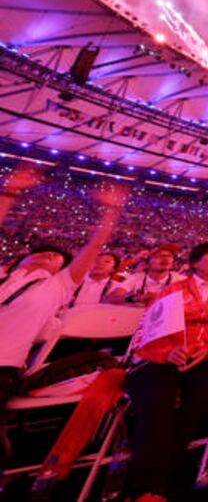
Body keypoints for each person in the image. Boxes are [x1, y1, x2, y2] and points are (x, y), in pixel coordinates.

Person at [0, 180, 128, 421]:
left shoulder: (55, 286)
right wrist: (9, 192)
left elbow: (95, 246)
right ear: (20, 260)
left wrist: (111, 211)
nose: (50, 254)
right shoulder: (4, 277)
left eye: (57, 257)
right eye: (41, 252)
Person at [126, 241, 208, 502]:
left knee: (197, 404)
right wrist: (168, 352)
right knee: (158, 404)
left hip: (205, 356)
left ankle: (164, 473)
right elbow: (153, 326)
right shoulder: (174, 289)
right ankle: (145, 486)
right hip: (164, 357)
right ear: (195, 262)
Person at [115, 244, 184, 304]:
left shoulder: (180, 280)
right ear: (147, 263)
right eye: (160, 256)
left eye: (169, 256)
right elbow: (112, 298)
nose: (166, 259)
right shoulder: (136, 278)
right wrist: (135, 298)